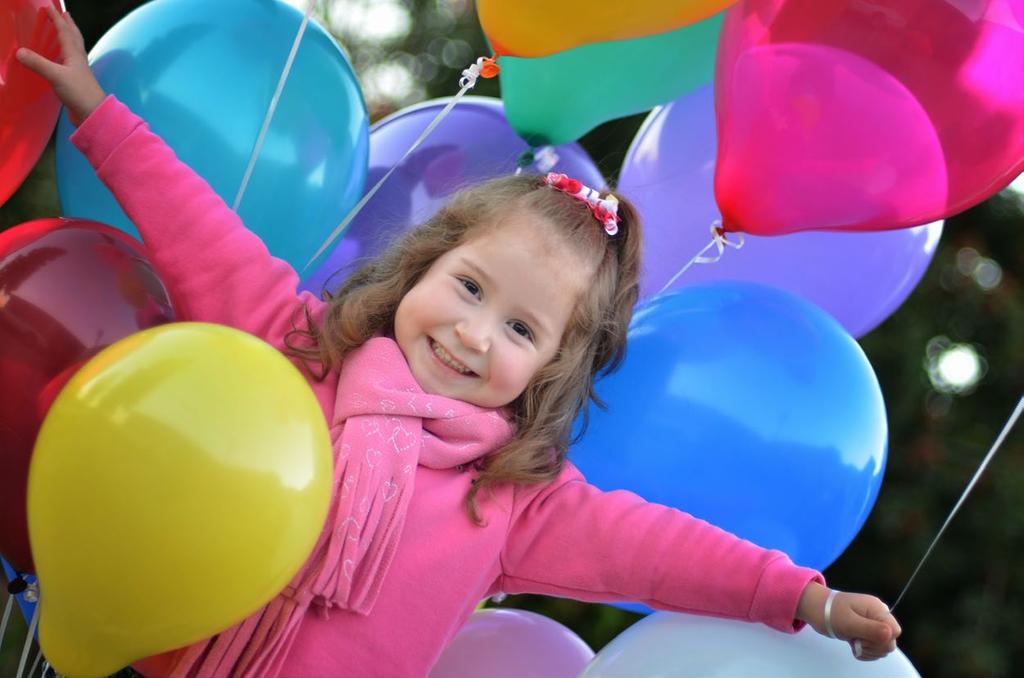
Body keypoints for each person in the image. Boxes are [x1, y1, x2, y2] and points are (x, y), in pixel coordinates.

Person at [18, 7, 901, 677]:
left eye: (520, 328)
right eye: (469, 288)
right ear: (425, 266)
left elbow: (671, 552)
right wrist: (95, 108)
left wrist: (808, 600)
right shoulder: (301, 344)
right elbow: (192, 223)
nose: (473, 334)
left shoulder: (517, 502)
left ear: (552, 366)